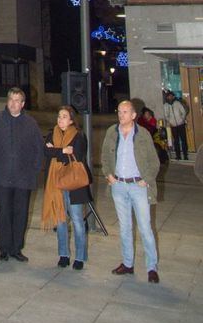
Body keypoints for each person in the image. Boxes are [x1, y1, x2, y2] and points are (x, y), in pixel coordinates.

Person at [0, 86, 44, 262]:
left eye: (17, 101)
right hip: (1, 177)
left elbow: (39, 148)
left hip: (24, 179)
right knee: (4, 212)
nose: (13, 104)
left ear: (22, 104)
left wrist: (35, 169)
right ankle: (4, 248)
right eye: (11, 100)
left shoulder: (31, 123)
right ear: (6, 102)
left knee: (21, 213)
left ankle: (16, 249)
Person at [102, 99, 160, 283]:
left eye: (125, 112)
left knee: (145, 228)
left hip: (138, 187)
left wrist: (147, 179)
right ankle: (127, 264)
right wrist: (108, 175)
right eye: (119, 111)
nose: (121, 115)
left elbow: (154, 162)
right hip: (118, 185)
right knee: (124, 227)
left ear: (134, 115)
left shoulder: (143, 134)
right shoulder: (112, 132)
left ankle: (151, 267)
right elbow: (104, 156)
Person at [41, 105, 91, 270]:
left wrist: (55, 151)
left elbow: (77, 153)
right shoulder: (51, 134)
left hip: (73, 183)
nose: (60, 120)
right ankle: (63, 254)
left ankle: (80, 257)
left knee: (77, 220)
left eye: (64, 116)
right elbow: (45, 152)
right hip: (56, 183)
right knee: (60, 219)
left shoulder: (78, 135)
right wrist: (63, 150)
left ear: (71, 120)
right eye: (59, 116)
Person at [162, 90, 189, 161]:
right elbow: (166, 115)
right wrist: (170, 122)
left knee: (183, 140)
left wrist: (182, 120)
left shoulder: (178, 103)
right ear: (167, 97)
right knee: (176, 141)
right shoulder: (165, 105)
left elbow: (183, 112)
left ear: (173, 96)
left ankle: (185, 155)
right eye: (169, 96)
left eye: (171, 96)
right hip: (173, 125)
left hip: (181, 124)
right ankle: (178, 155)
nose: (170, 97)